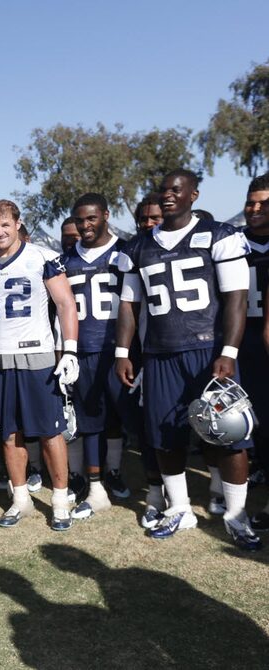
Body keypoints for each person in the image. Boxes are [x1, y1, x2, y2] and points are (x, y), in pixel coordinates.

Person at [115, 169, 261, 550]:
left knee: (229, 433)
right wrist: (123, 352)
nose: (168, 196)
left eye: (176, 190)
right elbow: (129, 306)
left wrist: (228, 351)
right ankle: (180, 508)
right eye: (163, 190)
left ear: (193, 195)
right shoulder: (138, 246)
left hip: (207, 349)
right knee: (165, 436)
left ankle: (235, 513)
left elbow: (236, 299)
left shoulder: (220, 236)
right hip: (160, 352)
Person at [0, 199, 79, 533]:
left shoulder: (41, 257)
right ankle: (20, 499)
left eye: (5, 225)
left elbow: (65, 303)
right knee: (9, 433)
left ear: (17, 223)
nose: (0, 232)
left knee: (49, 431)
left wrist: (70, 350)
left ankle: (60, 500)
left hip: (37, 357)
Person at [62, 193, 133, 521]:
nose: (85, 225)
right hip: (85, 351)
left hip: (121, 351)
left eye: (91, 218)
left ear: (105, 215)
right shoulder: (66, 260)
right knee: (89, 422)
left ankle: (141, 482)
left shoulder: (126, 251)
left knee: (128, 420)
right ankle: (95, 488)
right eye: (80, 220)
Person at [239, 174, 269, 529]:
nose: (256, 209)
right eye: (251, 203)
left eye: (264, 203)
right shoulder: (232, 242)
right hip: (241, 339)